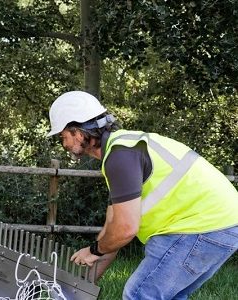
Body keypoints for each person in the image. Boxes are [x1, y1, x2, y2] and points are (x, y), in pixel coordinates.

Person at [48, 91, 238, 299]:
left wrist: (94, 251)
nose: (63, 144)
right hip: (221, 224)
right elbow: (113, 227)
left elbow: (125, 229)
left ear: (78, 131)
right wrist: (80, 286)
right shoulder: (121, 151)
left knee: (140, 294)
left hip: (201, 225)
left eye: (62, 135)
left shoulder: (121, 156)